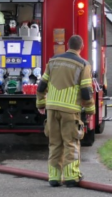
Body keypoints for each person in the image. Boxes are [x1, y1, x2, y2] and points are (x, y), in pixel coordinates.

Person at [36, 35, 94, 187]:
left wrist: (41, 104)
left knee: (54, 143)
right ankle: (71, 177)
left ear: (67, 45)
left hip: (52, 108)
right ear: (81, 47)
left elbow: (42, 85)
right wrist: (90, 109)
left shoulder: (53, 60)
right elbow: (86, 90)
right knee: (71, 143)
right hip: (69, 110)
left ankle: (54, 178)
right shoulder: (83, 64)